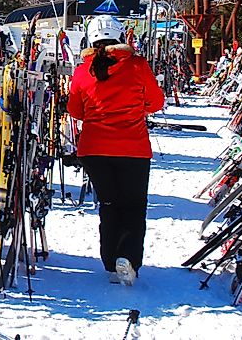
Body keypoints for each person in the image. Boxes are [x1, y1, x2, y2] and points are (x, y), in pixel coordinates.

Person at [66, 15, 165, 287]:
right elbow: (156, 101)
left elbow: (75, 110)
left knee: (109, 205)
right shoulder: (136, 66)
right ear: (120, 36)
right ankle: (128, 258)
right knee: (133, 206)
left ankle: (110, 262)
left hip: (95, 149)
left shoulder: (82, 71)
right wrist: (135, 108)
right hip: (132, 147)